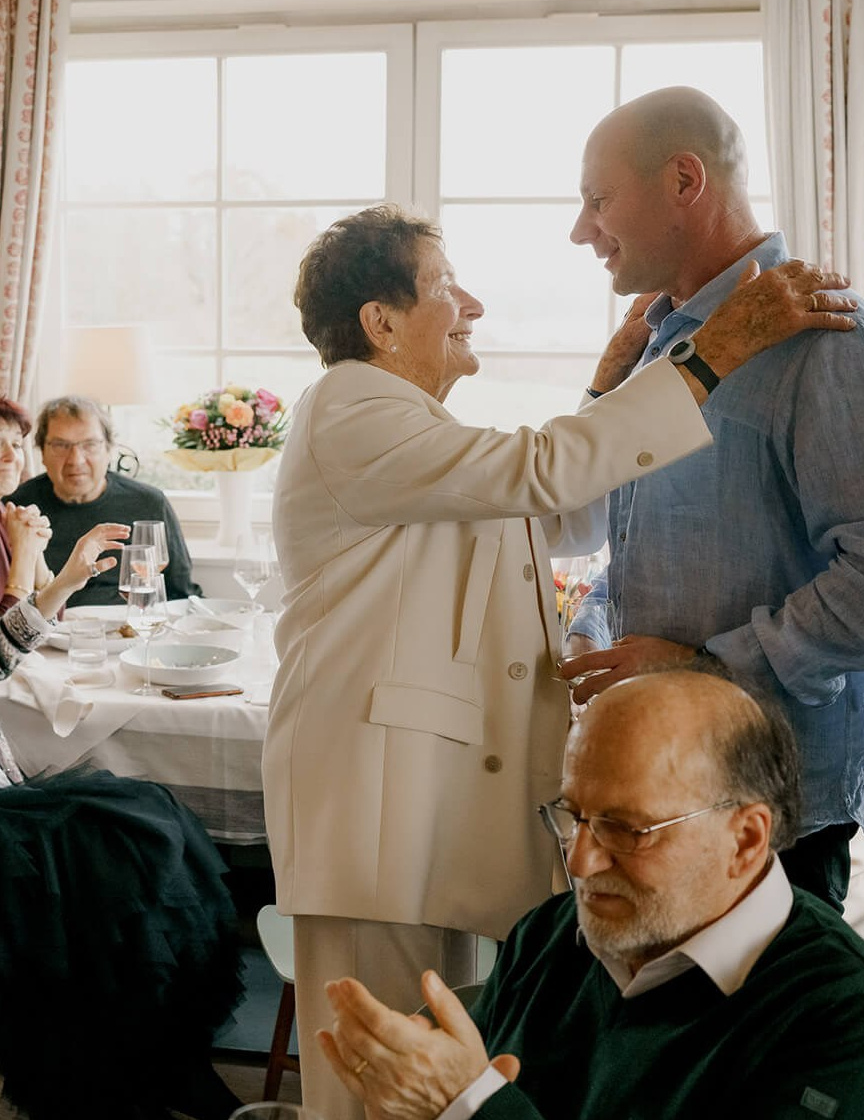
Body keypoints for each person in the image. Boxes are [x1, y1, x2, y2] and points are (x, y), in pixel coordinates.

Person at [261, 203, 855, 1120]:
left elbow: (557, 515)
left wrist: (610, 390)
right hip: (378, 802)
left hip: (425, 798)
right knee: (372, 1075)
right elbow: (538, 473)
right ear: (378, 323)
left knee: (445, 1057)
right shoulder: (350, 401)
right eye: (442, 285)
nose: (473, 303)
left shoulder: (412, 432)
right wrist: (707, 355)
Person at [0, 443, 243, 1120]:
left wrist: (60, 583)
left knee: (149, 825)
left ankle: (168, 1056)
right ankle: (119, 1078)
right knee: (104, 853)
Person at [561, 86, 864, 910]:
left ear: (685, 181)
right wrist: (599, 624)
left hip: (764, 811)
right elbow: (650, 544)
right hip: (649, 791)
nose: (582, 230)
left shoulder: (826, 343)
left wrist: (704, 667)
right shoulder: (656, 349)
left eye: (597, 200)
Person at [318, 672, 864, 1119]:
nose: (580, 862)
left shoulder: (839, 1018)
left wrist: (468, 1105)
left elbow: (474, 1098)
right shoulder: (554, 930)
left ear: (745, 840)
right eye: (574, 816)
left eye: (625, 828)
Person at [8, 395, 200, 608]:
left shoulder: (149, 503)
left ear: (109, 450)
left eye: (90, 445)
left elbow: (181, 594)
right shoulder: (18, 509)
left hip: (128, 631)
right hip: (47, 635)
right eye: (61, 445)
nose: (75, 460)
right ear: (41, 452)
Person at [0, 386, 102, 620]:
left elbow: (53, 619)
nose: (11, 456)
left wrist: (36, 554)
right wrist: (24, 553)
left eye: (16, 444)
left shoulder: (1, 515)